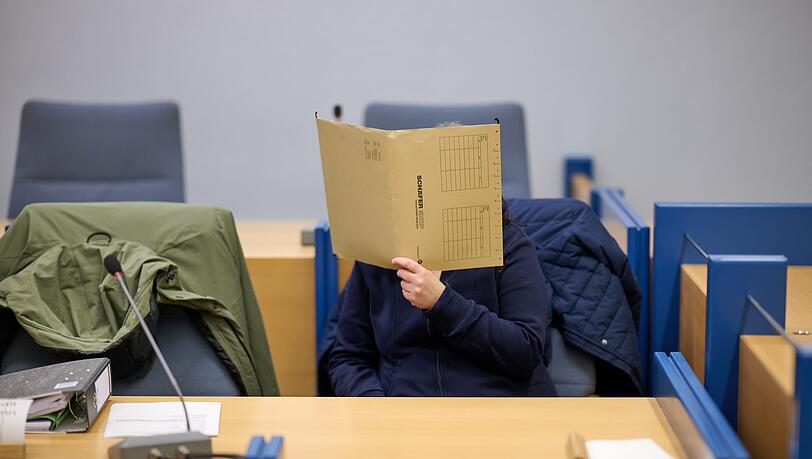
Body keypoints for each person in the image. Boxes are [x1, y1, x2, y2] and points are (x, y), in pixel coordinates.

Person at [328, 201, 557, 396]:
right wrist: (376, 406)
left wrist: (442, 303)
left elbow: (526, 350)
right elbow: (348, 358)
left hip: (497, 411)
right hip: (407, 420)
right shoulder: (376, 254)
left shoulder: (507, 243)